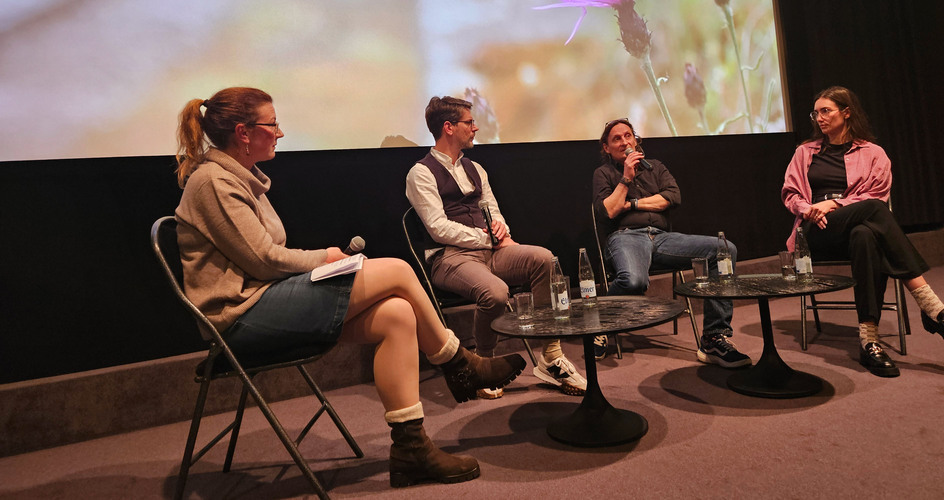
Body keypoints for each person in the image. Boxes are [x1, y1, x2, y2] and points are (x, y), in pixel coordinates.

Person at [173, 87, 527, 488]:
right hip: (240, 317)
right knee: (395, 269)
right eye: (273, 124)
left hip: (265, 300)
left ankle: (411, 449)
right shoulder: (214, 182)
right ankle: (459, 363)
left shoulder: (240, 178)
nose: (280, 132)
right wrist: (324, 258)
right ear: (244, 132)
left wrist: (321, 261)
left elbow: (266, 258)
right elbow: (265, 260)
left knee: (397, 314)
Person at [781, 86, 944, 377]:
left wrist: (834, 203)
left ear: (846, 112)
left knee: (865, 235)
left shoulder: (873, 153)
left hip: (853, 230)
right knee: (877, 211)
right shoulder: (805, 152)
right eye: (816, 112)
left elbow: (878, 192)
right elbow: (790, 194)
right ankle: (932, 307)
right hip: (818, 232)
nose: (819, 118)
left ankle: (869, 339)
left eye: (826, 110)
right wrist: (811, 209)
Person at [405, 96, 587, 398]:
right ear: (449, 127)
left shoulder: (475, 168)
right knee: (496, 293)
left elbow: (492, 209)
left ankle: (550, 355)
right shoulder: (420, 173)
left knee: (544, 259)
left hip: (491, 252)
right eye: (469, 122)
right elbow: (438, 228)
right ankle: (484, 364)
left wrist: (502, 230)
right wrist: (487, 238)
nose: (475, 127)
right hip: (449, 258)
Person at [592, 118, 751, 367]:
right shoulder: (604, 174)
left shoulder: (655, 167)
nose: (625, 142)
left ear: (636, 140)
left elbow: (672, 197)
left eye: (628, 136)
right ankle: (600, 326)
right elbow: (609, 211)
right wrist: (626, 178)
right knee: (634, 280)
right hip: (625, 237)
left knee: (724, 249)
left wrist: (632, 204)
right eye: (617, 139)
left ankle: (713, 338)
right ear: (606, 147)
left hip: (663, 238)